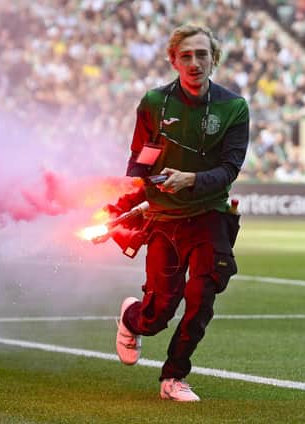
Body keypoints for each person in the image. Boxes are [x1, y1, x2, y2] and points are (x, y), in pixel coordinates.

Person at [110, 24, 249, 402]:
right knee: (157, 315)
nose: (194, 62)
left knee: (202, 296)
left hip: (210, 214)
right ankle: (131, 318)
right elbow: (139, 164)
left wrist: (190, 179)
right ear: (173, 60)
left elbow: (230, 169)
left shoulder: (234, 107)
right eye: (185, 55)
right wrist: (121, 207)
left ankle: (173, 377)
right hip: (164, 219)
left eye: (201, 54)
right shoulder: (154, 103)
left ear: (213, 59)